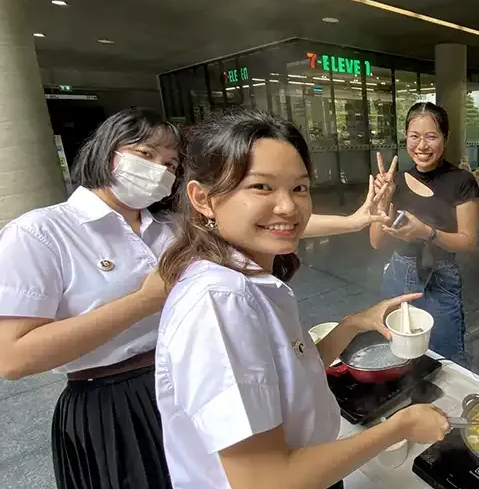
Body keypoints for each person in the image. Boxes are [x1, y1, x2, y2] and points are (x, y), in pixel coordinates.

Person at [154, 110, 450, 489]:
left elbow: (292, 373)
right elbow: (266, 481)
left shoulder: (247, 278)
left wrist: (355, 323)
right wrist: (399, 427)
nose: (288, 207)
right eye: (261, 187)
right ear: (203, 198)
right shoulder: (220, 302)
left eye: (299, 188)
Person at [0, 107, 182, 488]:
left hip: (188, 379)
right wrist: (142, 301)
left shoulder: (169, 226)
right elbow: (11, 358)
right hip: (117, 404)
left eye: (170, 163)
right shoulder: (40, 233)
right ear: (106, 152)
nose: (160, 171)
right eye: (145, 155)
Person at [370, 102, 479, 367]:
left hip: (440, 278)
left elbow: (468, 241)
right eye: (414, 136)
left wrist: (427, 233)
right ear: (406, 137)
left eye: (431, 136)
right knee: (397, 355)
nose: (422, 146)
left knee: (446, 359)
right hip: (399, 274)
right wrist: (381, 202)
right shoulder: (394, 181)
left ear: (445, 137)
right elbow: (377, 242)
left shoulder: (461, 181)